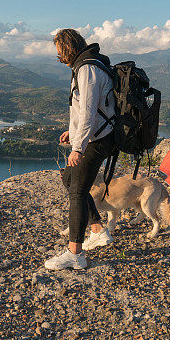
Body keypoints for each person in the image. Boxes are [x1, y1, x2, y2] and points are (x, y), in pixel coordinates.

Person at [45, 29, 116, 270]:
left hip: (96, 140)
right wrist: (72, 132)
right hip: (93, 136)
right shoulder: (85, 66)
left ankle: (75, 254)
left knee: (77, 190)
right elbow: (84, 110)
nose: (58, 57)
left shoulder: (87, 69)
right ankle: (97, 230)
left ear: (67, 48)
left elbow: (87, 112)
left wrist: (78, 146)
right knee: (69, 180)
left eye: (59, 51)